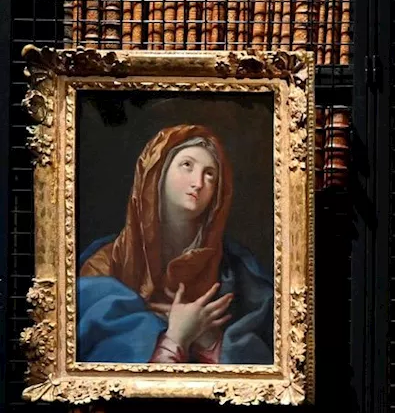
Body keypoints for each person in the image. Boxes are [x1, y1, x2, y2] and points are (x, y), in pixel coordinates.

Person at [77, 124, 273, 364]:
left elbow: (264, 373)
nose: (198, 183)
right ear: (158, 173)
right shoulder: (103, 270)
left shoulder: (239, 275)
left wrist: (208, 340)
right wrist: (176, 338)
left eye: (210, 174)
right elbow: (94, 375)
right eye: (187, 165)